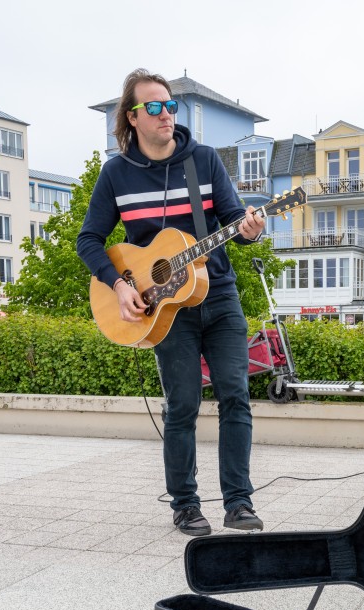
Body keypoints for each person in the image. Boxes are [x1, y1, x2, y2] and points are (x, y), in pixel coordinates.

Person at [77, 68, 267, 536]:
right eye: (155, 107)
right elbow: (89, 241)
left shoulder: (202, 160)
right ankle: (185, 505)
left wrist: (250, 230)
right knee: (181, 405)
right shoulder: (115, 174)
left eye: (170, 105)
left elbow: (232, 223)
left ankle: (238, 503)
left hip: (217, 294)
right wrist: (120, 285)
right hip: (162, 306)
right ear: (132, 117)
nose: (166, 114)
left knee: (236, 397)